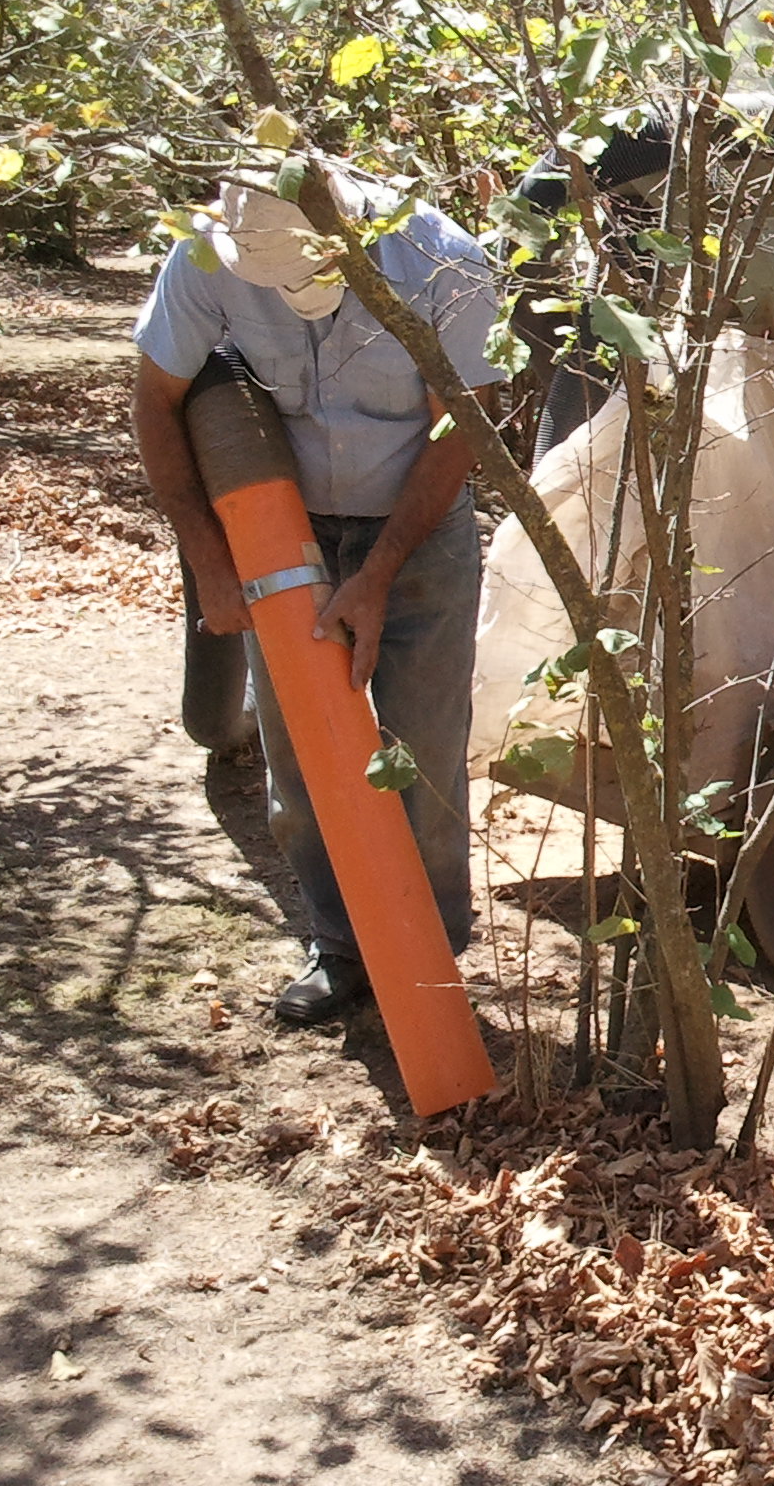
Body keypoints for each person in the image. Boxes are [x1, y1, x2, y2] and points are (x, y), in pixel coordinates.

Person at [130, 166, 506, 1025]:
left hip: (420, 525)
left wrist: (377, 577)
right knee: (301, 759)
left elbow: (466, 424)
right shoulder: (203, 259)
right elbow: (156, 401)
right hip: (284, 532)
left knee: (423, 750)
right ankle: (339, 946)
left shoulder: (440, 259)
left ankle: (429, 960)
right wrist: (210, 558)